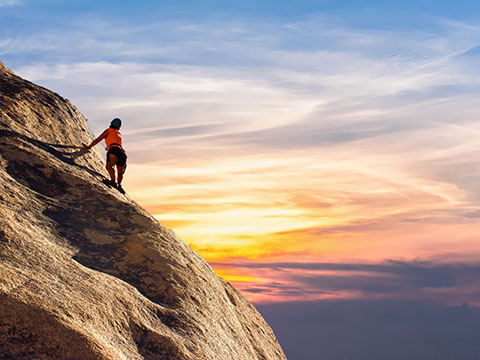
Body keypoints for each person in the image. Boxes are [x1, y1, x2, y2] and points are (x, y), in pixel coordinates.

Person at [84, 118, 127, 194]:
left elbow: (98, 140)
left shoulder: (108, 130)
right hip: (122, 153)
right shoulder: (119, 134)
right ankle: (119, 185)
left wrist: (89, 146)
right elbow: (116, 143)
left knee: (109, 166)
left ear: (111, 124)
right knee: (120, 172)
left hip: (114, 150)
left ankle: (113, 182)